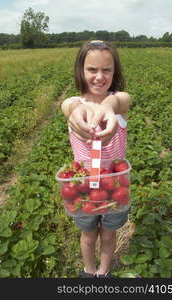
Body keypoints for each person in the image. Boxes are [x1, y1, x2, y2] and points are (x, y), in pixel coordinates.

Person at [61, 40, 131, 278]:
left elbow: (120, 100)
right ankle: (89, 270)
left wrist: (108, 107)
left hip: (115, 186)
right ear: (81, 70)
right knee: (89, 234)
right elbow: (67, 105)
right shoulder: (75, 105)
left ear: (115, 72)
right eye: (92, 69)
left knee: (109, 234)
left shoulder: (119, 101)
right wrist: (77, 111)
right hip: (84, 188)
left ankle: (103, 271)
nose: (99, 76)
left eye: (106, 70)